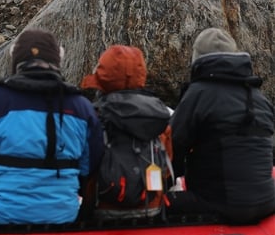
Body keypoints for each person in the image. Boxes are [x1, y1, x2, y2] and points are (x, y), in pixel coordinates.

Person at [0, 29, 104, 225]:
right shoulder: (81, 108)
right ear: (58, 62)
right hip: (63, 213)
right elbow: (89, 165)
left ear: (15, 61)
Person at [168, 27, 275, 224]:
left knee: (158, 205)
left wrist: (163, 184)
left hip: (218, 203)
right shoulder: (259, 98)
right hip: (268, 201)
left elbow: (172, 148)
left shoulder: (198, 94)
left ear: (197, 59)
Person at [80, 45, 173, 219]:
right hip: (150, 207)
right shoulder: (159, 116)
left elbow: (85, 167)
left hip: (103, 208)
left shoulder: (93, 117)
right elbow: (167, 167)